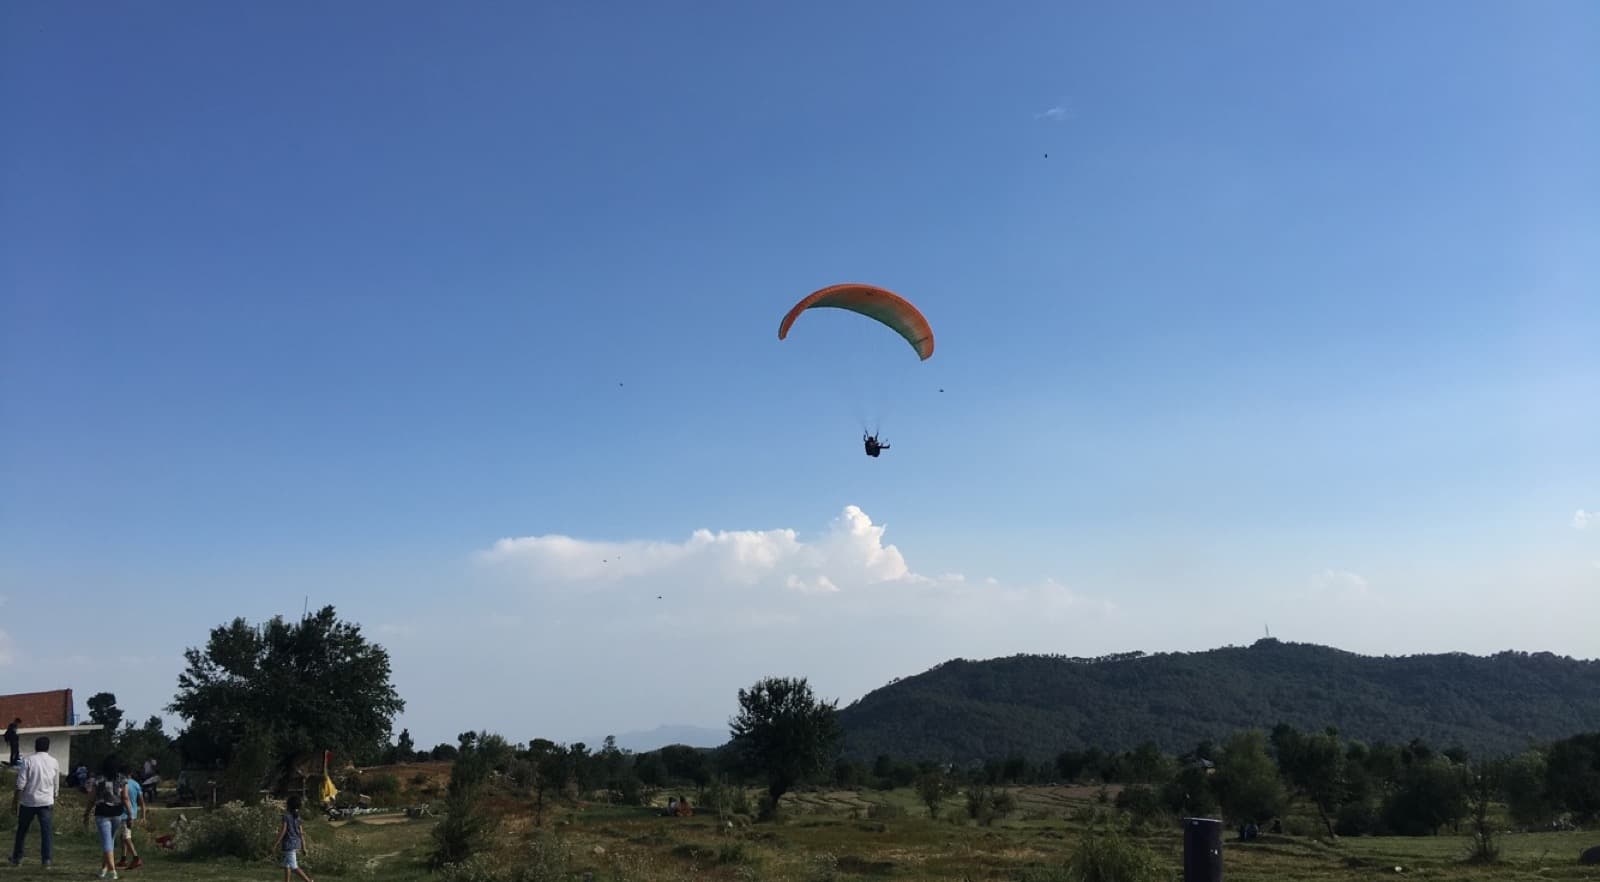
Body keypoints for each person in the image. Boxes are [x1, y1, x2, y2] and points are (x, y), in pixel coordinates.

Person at [10, 736, 59, 868]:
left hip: (28, 801)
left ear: (35, 746)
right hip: (46, 801)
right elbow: (56, 784)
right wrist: (54, 796)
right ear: (48, 747)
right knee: (46, 832)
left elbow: (20, 784)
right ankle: (46, 860)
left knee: (22, 830)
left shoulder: (28, 761)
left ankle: (17, 858)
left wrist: (15, 802)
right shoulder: (54, 762)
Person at [84, 776, 128, 880]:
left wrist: (87, 813)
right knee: (110, 840)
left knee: (106, 842)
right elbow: (125, 797)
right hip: (117, 812)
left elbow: (92, 798)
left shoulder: (98, 780)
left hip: (102, 812)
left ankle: (112, 871)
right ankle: (104, 868)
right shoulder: (121, 779)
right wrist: (130, 812)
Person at [274, 795, 315, 882]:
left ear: (288, 805)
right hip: (296, 843)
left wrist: (276, 842)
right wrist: (304, 847)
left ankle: (308, 881)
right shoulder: (298, 818)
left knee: (293, 866)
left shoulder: (286, 817)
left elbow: (283, 830)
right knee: (287, 865)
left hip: (289, 844)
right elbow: (301, 833)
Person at [117, 771, 145, 870]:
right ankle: (123, 858)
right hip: (133, 812)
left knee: (126, 837)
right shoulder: (136, 784)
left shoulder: (121, 783)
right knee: (123, 836)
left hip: (125, 813)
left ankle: (136, 858)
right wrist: (143, 815)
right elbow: (141, 801)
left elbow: (123, 797)